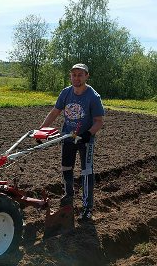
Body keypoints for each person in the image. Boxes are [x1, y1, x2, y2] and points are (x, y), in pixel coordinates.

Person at [40, 63, 104, 221]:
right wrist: (41, 130)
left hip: (85, 140)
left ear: (86, 76)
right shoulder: (66, 93)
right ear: (70, 76)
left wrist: (88, 134)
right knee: (66, 167)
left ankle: (87, 208)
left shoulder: (93, 97)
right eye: (73, 75)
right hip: (68, 136)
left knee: (86, 172)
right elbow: (55, 112)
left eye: (80, 75)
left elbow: (99, 121)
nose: (76, 78)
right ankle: (68, 195)